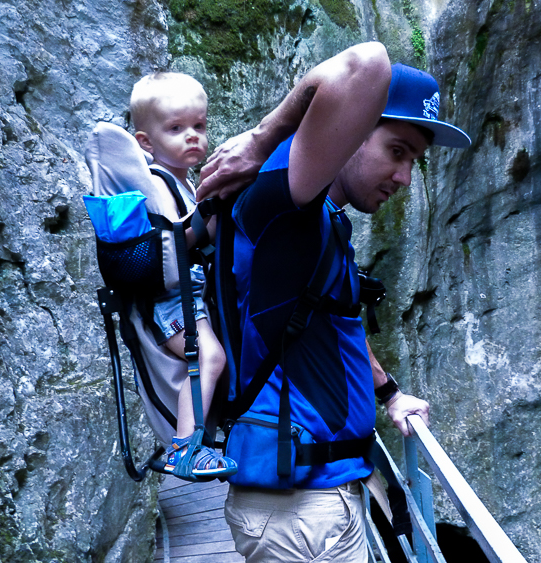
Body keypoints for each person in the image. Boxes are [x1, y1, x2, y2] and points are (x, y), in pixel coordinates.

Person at [196, 42, 471, 562]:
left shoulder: (326, 224)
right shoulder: (284, 207)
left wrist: (389, 392)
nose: (405, 177)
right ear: (353, 128)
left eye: (414, 161)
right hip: (296, 510)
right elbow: (366, 64)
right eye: (397, 150)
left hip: (328, 493)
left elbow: (336, 327)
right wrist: (262, 138)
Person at [128, 72, 235, 478]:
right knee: (208, 357)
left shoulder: (185, 184)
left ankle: (201, 441)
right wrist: (210, 206)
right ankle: (183, 450)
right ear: (146, 142)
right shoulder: (157, 183)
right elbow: (175, 244)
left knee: (212, 358)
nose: (192, 136)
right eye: (176, 128)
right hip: (171, 301)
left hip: (190, 298)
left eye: (199, 126)